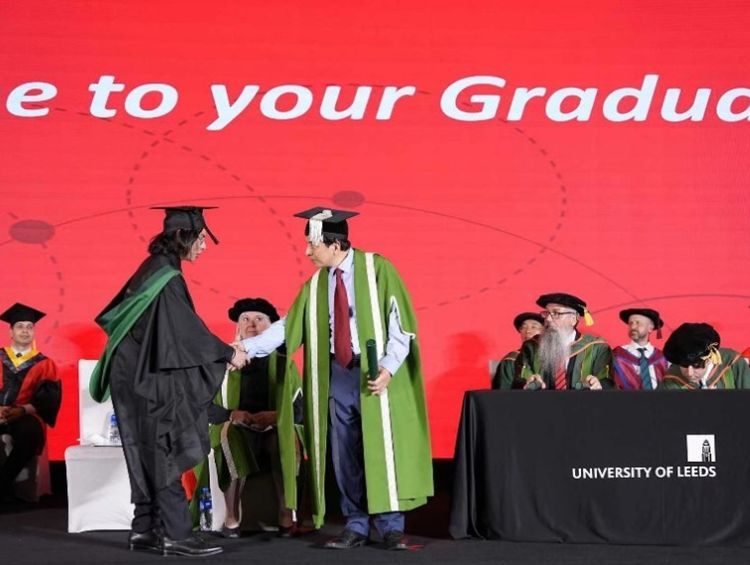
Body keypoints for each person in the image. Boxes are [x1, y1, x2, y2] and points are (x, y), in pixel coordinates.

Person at [237, 207, 433, 550]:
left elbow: (400, 324)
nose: (308, 252)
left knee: (382, 447)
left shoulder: (377, 269)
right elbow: (288, 325)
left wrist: (387, 368)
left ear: (335, 244)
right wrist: (246, 349)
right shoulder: (315, 284)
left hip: (376, 371)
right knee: (344, 452)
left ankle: (389, 527)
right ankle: (355, 525)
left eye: (313, 244)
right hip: (336, 373)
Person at [89, 206, 245, 557]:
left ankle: (145, 530)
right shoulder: (166, 277)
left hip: (133, 374)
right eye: (201, 239)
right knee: (162, 447)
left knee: (144, 447)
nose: (204, 246)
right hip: (148, 377)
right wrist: (226, 352)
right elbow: (184, 332)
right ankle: (175, 534)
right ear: (180, 237)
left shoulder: (152, 271)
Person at [191, 297, 302, 538]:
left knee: (283, 439)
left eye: (259, 319)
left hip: (273, 428)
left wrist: (277, 417)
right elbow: (201, 406)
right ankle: (232, 518)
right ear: (237, 327)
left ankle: (286, 514)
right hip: (236, 428)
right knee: (231, 437)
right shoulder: (221, 364)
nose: (252, 324)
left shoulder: (285, 365)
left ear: (272, 328)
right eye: (245, 319)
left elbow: (302, 408)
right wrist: (232, 414)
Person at [0, 303, 61, 501]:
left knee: (29, 433)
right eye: (20, 326)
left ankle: (3, 483)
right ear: (11, 331)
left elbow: (49, 398)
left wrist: (23, 410)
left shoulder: (45, 363)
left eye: (29, 327)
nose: (25, 331)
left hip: (25, 415)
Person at [513, 293, 613, 390]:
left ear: (573, 319)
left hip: (583, 405)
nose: (548, 319)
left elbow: (607, 382)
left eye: (556, 313)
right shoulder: (531, 346)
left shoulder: (596, 348)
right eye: (546, 313)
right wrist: (527, 382)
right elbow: (519, 379)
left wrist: (598, 384)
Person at [661, 322, 750, 389]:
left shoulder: (733, 364)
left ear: (710, 358)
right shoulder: (671, 380)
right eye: (684, 365)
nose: (690, 373)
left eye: (696, 365)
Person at [611, 308, 668, 390]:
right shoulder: (617, 355)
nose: (633, 327)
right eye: (630, 323)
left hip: (660, 401)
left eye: (638, 323)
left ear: (650, 328)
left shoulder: (663, 358)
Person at [492, 312, 543, 389]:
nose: (528, 331)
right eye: (523, 327)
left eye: (534, 327)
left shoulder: (556, 360)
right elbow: (501, 394)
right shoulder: (511, 360)